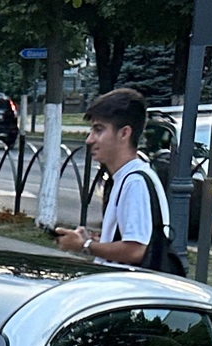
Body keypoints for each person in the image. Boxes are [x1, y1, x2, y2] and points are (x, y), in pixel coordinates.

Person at [55, 87, 174, 271]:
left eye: (98, 130)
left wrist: (84, 246)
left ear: (124, 133)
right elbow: (131, 239)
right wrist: (98, 240)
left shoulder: (135, 182)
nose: (90, 139)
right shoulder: (126, 177)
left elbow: (136, 250)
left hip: (131, 293)